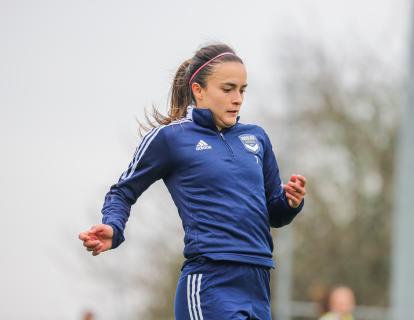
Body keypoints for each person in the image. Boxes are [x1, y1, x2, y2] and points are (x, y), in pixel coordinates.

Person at [78, 43, 307, 319]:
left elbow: (274, 212)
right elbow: (122, 192)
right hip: (210, 282)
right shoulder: (171, 138)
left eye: (242, 90)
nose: (238, 99)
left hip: (258, 282)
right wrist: (113, 226)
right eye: (228, 89)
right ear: (198, 90)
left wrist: (290, 202)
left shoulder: (256, 138)